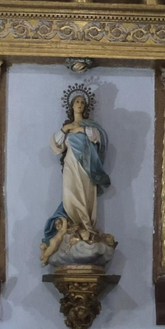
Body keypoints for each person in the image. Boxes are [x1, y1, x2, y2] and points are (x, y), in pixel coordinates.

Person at [40, 88, 109, 262]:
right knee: (70, 194)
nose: (79, 104)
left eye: (82, 102)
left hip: (86, 165)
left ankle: (87, 228)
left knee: (86, 196)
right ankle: (75, 226)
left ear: (85, 107)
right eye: (77, 102)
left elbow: (99, 139)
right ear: (71, 105)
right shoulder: (67, 128)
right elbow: (56, 145)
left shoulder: (90, 127)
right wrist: (65, 129)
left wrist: (82, 131)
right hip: (71, 164)